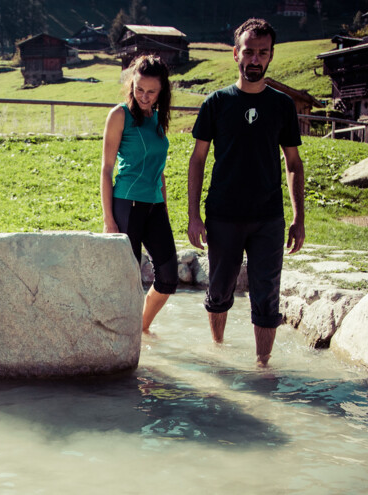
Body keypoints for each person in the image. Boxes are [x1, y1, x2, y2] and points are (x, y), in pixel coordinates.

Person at [186, 18, 305, 366]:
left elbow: (294, 163)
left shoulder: (282, 105)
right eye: (249, 51)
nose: (255, 59)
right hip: (223, 214)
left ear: (270, 57)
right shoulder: (216, 103)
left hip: (269, 216)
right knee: (219, 288)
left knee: (267, 294)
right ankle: (219, 354)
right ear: (235, 54)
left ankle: (262, 367)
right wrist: (194, 216)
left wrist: (298, 218)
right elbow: (197, 160)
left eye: (262, 53)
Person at [100, 54, 179, 335]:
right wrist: (109, 220)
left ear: (161, 92)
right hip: (127, 205)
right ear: (132, 84)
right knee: (127, 281)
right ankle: (121, 340)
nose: (144, 96)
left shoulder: (158, 119)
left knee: (169, 277)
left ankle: (140, 329)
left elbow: (160, 170)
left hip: (155, 206)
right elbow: (107, 169)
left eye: (151, 91)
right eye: (139, 89)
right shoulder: (120, 115)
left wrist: (165, 208)